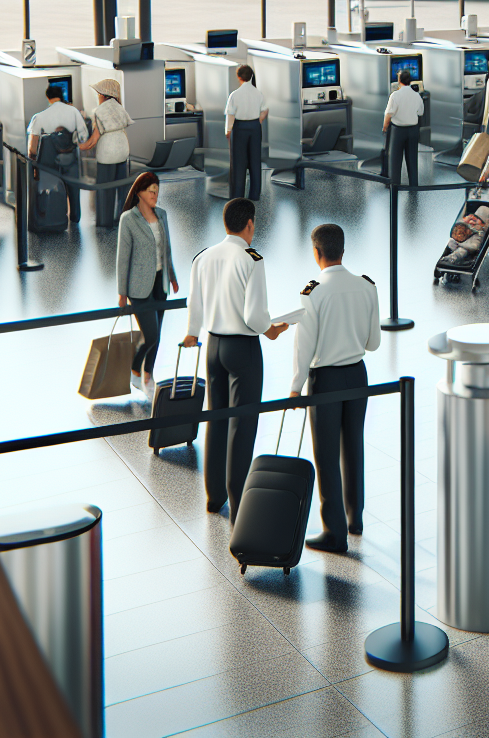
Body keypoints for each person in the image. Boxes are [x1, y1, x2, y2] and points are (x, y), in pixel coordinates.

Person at [272, 223, 380, 553]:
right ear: (343, 251)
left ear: (316, 253)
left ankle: (334, 533)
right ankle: (354, 518)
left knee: (327, 456)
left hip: (325, 381)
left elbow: (303, 346)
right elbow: (373, 343)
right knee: (353, 447)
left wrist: (295, 388)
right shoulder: (367, 286)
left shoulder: (313, 291)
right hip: (357, 375)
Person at [181, 198, 287, 520]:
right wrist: (271, 330)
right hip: (242, 349)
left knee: (216, 418)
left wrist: (192, 333)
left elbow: (193, 303)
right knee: (243, 425)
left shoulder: (204, 256)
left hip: (212, 346)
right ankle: (239, 500)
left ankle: (213, 497)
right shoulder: (252, 258)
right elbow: (255, 316)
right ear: (250, 224)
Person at [116, 172, 178, 395]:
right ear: (139, 192)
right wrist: (122, 293)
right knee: (150, 334)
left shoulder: (162, 215)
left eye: (157, 190)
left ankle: (148, 375)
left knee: (157, 334)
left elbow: (166, 249)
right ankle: (135, 370)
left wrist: (172, 276)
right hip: (138, 286)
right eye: (150, 190)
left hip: (159, 283)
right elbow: (123, 258)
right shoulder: (128, 220)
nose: (154, 194)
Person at [26, 81, 88, 225]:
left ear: (48, 98)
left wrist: (33, 162)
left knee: (50, 190)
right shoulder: (74, 112)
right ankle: (75, 217)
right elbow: (83, 137)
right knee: (74, 189)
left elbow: (32, 147)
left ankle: (54, 218)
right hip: (70, 158)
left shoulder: (39, 116)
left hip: (49, 163)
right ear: (62, 96)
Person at [81, 78, 133, 227]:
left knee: (105, 188)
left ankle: (105, 220)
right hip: (123, 149)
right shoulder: (120, 107)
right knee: (122, 187)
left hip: (108, 152)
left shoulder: (100, 110)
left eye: (98, 94)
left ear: (103, 95)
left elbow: (94, 139)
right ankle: (122, 219)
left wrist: (80, 146)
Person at [225, 64, 268, 201]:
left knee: (238, 163)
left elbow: (230, 115)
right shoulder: (258, 93)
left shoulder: (235, 95)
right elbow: (265, 110)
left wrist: (228, 131)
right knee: (255, 162)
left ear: (239, 77)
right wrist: (258, 121)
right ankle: (254, 195)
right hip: (255, 127)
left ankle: (237, 196)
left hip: (240, 128)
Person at [382, 68, 424, 192]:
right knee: (412, 159)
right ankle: (413, 186)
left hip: (398, 130)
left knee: (395, 159)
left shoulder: (395, 95)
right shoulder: (416, 95)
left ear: (399, 80)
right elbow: (420, 112)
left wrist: (385, 127)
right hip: (413, 130)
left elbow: (389, 114)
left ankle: (394, 186)